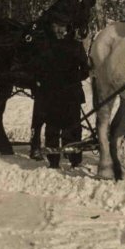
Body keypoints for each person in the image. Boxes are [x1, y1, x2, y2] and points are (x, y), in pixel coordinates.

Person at [33, 13, 89, 169]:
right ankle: (53, 161)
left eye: (62, 26)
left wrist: (72, 77)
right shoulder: (44, 45)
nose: (59, 30)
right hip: (51, 94)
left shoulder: (76, 45)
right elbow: (37, 68)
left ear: (68, 28)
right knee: (52, 128)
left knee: (74, 128)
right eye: (56, 26)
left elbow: (85, 70)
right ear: (51, 28)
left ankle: (75, 160)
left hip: (71, 93)